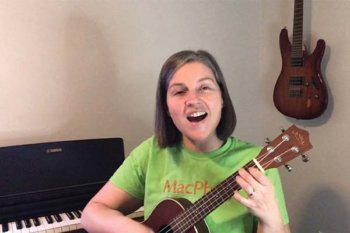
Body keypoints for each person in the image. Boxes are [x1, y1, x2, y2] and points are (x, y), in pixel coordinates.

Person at [81, 50, 291, 233]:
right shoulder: (152, 152)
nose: (193, 99)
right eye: (180, 91)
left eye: (205, 88)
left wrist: (271, 220)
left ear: (222, 99)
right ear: (166, 108)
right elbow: (91, 213)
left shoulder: (258, 164)